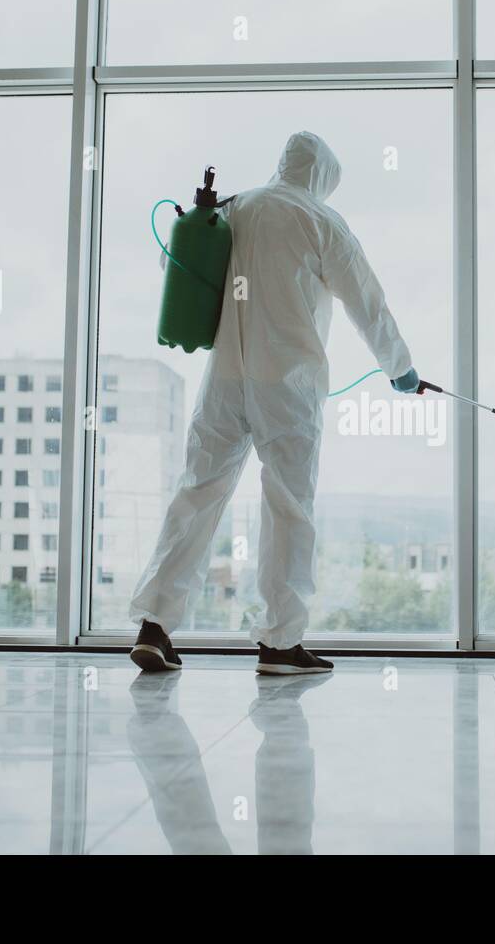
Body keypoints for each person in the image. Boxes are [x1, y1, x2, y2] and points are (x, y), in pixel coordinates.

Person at [130, 131, 419, 676]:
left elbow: (186, 272)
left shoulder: (235, 206)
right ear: (322, 176)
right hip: (286, 386)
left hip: (224, 380)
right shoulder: (321, 221)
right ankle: (280, 643)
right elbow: (368, 304)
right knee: (288, 506)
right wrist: (400, 368)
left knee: (196, 495)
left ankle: (155, 626)